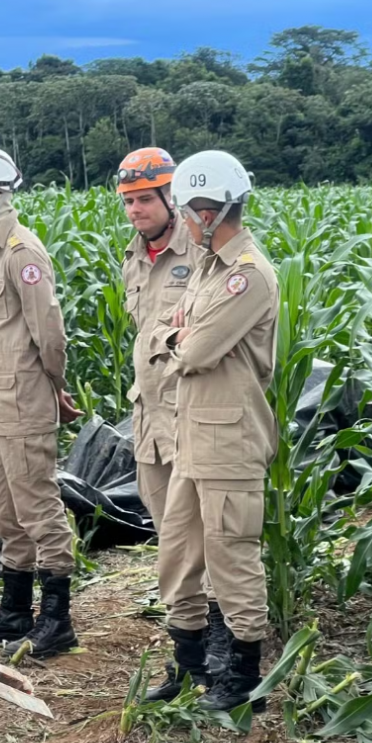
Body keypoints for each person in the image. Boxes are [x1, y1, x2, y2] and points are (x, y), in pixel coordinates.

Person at [145, 150, 279, 712]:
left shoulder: (247, 274)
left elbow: (196, 350)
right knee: (178, 554)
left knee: (231, 558)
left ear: (209, 212)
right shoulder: (207, 266)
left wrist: (181, 336)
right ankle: (190, 665)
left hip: (230, 441)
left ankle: (243, 679)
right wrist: (176, 333)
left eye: (187, 210)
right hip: (193, 436)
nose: (183, 220)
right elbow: (162, 327)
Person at [0, 147, 83, 660]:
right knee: (6, 514)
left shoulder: (22, 252)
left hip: (24, 403)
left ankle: (57, 620)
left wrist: (55, 386)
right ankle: (14, 611)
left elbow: (49, 333)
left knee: (39, 510)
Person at [118, 147, 229, 684]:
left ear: (171, 197)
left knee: (211, 537)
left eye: (145, 199)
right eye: (128, 201)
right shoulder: (135, 258)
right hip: (150, 420)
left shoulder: (206, 255)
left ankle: (224, 647)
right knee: (171, 538)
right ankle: (190, 655)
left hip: (193, 417)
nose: (135, 210)